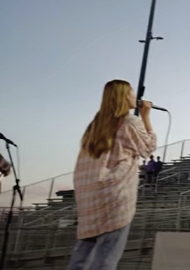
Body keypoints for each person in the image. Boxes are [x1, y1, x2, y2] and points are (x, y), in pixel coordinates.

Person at [66, 80, 156, 270]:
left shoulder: (95, 125)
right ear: (124, 96)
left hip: (90, 197)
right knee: (106, 258)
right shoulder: (130, 121)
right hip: (115, 195)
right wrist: (146, 117)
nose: (135, 97)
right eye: (132, 93)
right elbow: (148, 148)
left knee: (82, 256)